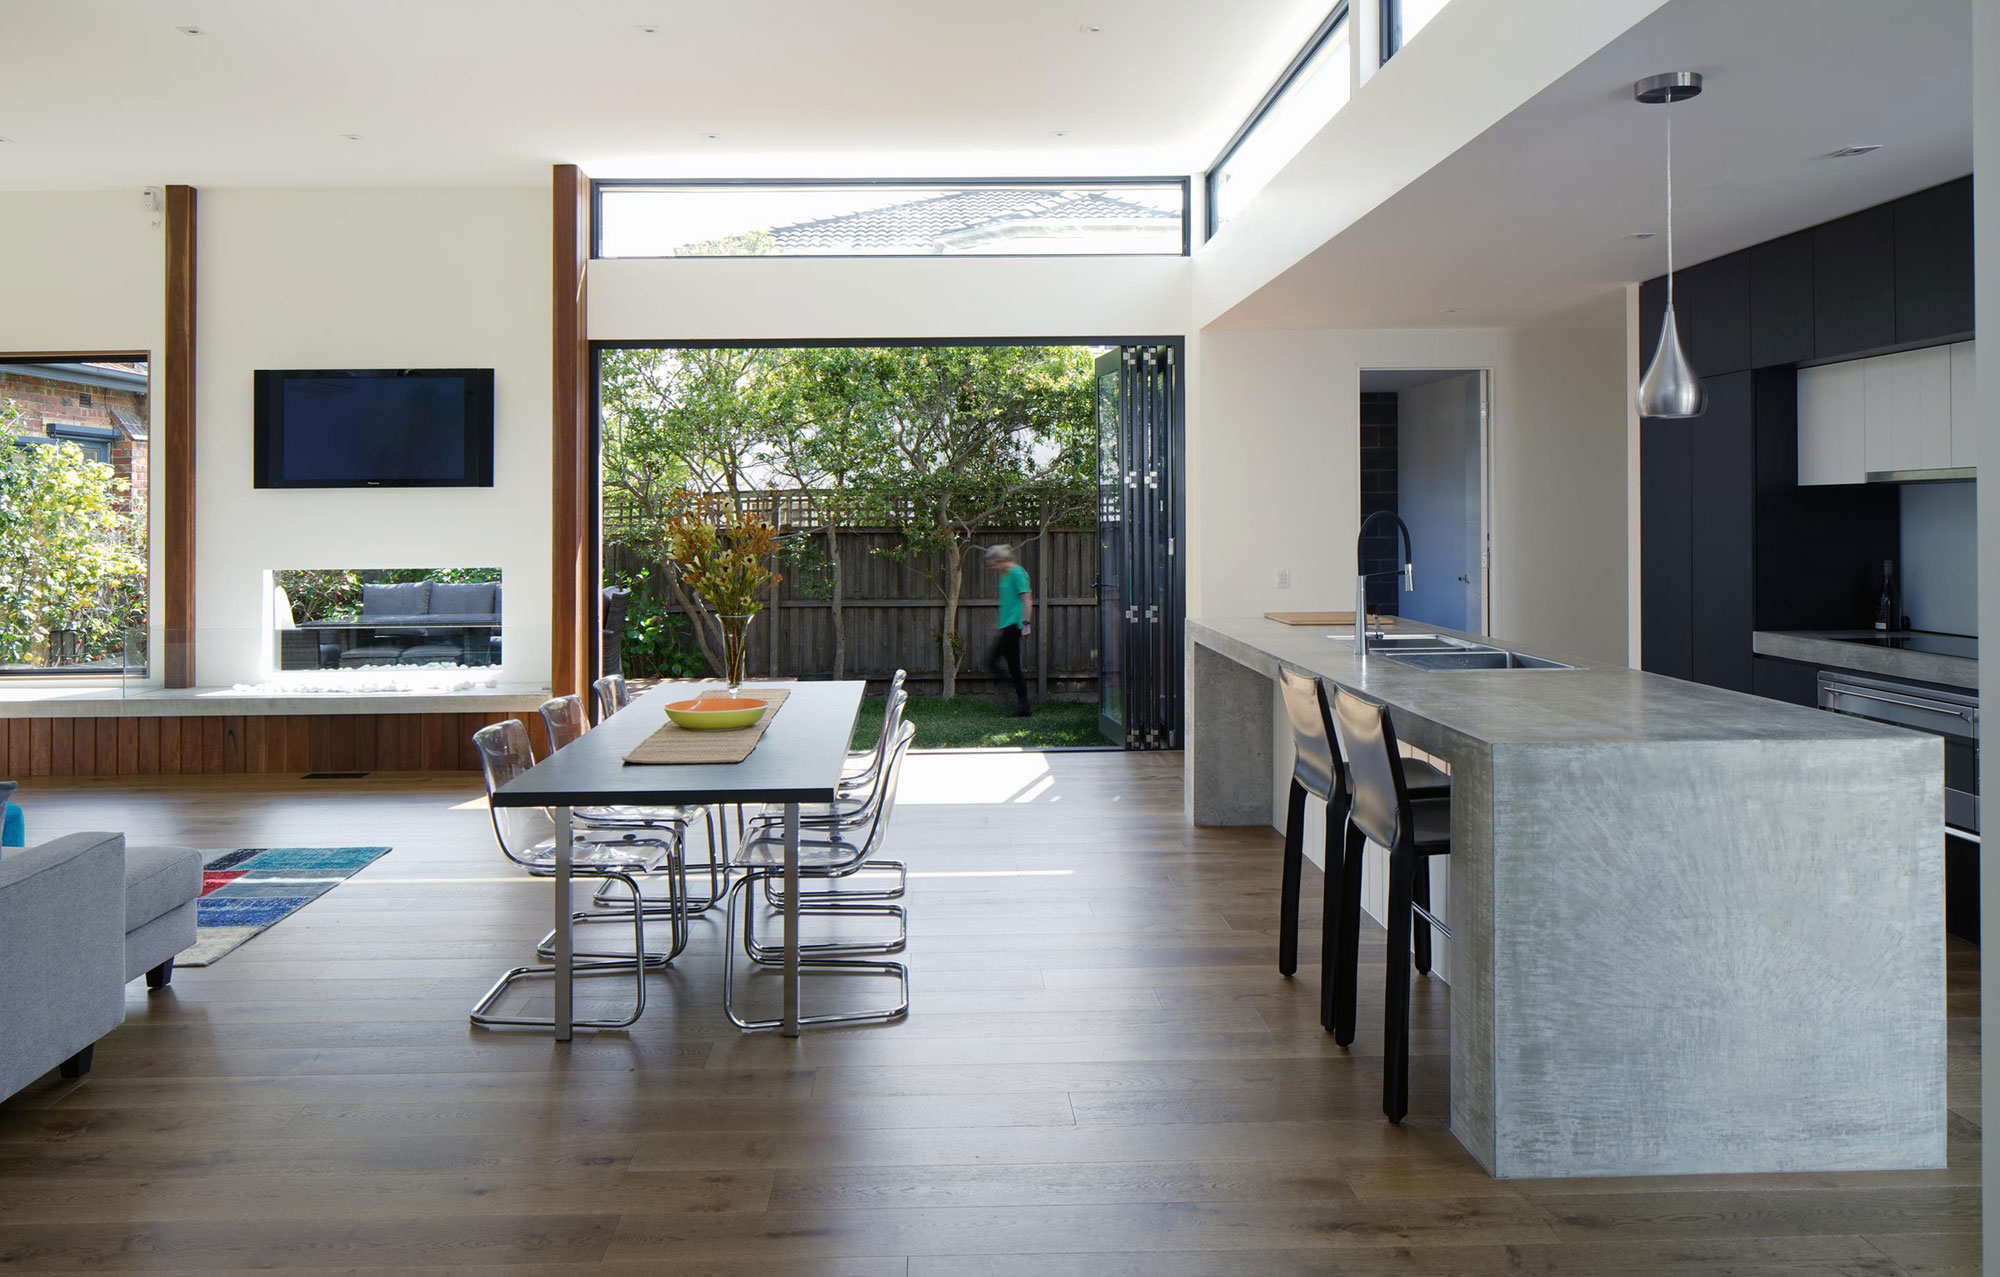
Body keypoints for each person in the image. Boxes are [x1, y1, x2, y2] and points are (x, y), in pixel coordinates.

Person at [984, 544, 1033, 717]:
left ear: (1002, 560)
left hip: (1015, 625)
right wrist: (999, 625)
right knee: (1012, 667)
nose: (992, 568)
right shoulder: (1005, 575)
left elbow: (1027, 599)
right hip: (1007, 625)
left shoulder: (1017, 573)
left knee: (995, 663)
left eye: (994, 564)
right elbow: (1008, 602)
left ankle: (1020, 701)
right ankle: (1023, 705)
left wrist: (1026, 624)